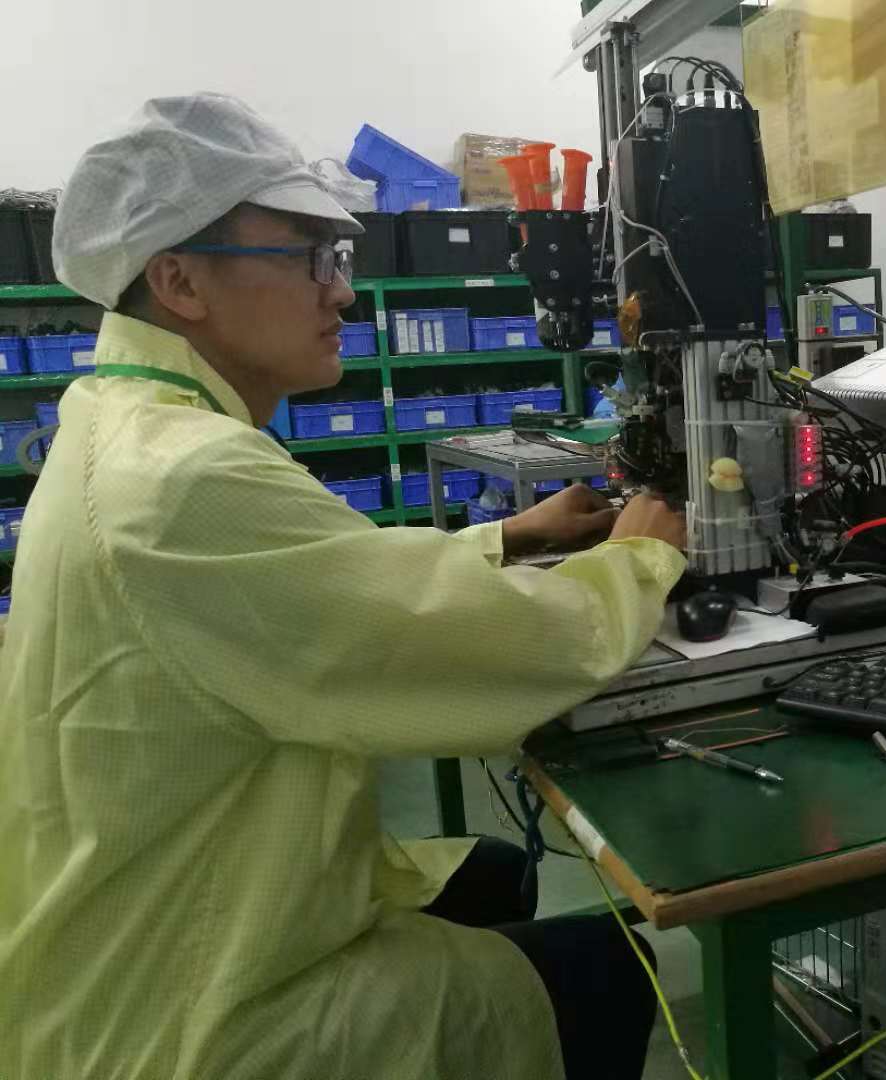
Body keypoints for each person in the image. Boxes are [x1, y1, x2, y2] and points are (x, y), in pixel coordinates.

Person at [0, 94, 687, 1080]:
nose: (344, 295)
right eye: (311, 258)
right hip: (190, 1009)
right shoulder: (187, 478)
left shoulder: (126, 424)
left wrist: (503, 537)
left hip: (139, 914)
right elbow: (480, 650)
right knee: (612, 968)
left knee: (493, 872)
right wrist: (640, 559)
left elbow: (326, 586)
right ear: (179, 280)